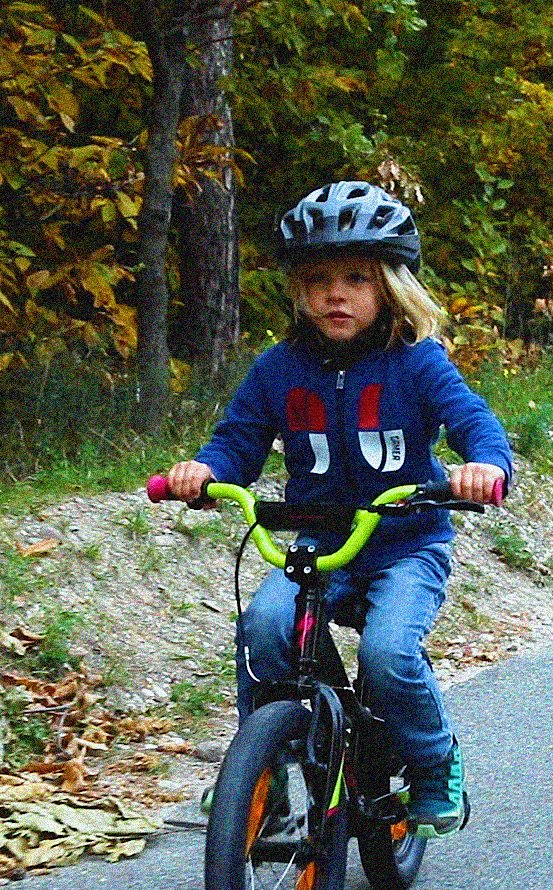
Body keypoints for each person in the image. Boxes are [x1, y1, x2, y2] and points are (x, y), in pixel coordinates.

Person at [165, 180, 514, 838]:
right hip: (318, 546)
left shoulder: (417, 363)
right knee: (265, 629)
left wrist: (485, 467)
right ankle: (268, 774)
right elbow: (237, 442)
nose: (336, 293)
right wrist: (204, 473)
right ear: (299, 289)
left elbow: (474, 424)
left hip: (405, 542)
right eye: (319, 278)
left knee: (387, 653)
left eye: (356, 277)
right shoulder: (277, 369)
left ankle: (436, 762)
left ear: (388, 285)